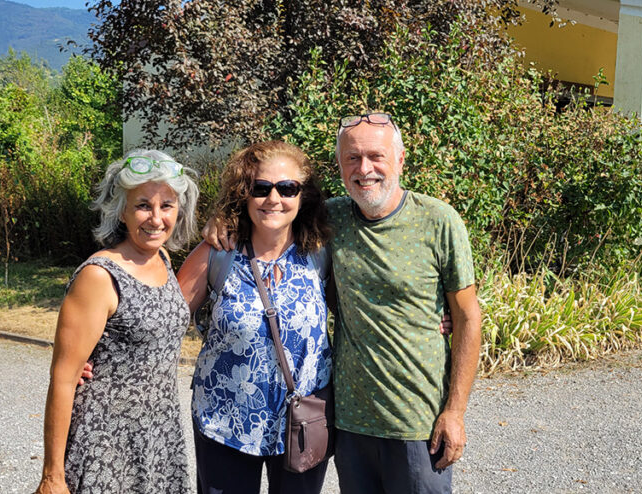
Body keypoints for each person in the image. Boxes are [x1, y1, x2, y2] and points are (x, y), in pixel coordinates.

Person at [205, 113, 482, 494]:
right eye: (352, 158)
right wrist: (221, 220)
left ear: (401, 159)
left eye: (375, 156)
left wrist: (455, 412)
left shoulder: (438, 221)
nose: (364, 169)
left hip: (417, 421)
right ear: (340, 165)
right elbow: (271, 214)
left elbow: (468, 317)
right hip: (349, 423)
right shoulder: (329, 219)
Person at [34, 150, 199, 494]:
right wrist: (52, 476)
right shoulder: (99, 275)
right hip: (105, 443)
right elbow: (63, 379)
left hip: (158, 438)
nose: (156, 218)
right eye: (143, 205)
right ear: (121, 210)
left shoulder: (163, 259)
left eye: (166, 205)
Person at [176, 140, 334, 494]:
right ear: (243, 194)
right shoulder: (217, 254)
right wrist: (97, 359)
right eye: (260, 188)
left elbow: (363, 309)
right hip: (224, 422)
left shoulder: (320, 253)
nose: (273, 198)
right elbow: (163, 320)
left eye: (287, 188)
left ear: (302, 195)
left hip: (302, 422)